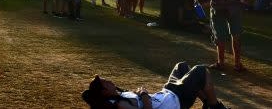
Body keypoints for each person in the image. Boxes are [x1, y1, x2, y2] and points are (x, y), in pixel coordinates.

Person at [81, 62, 229, 109]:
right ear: (105, 92)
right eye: (105, 82)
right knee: (201, 70)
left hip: (168, 93)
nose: (109, 81)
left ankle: (206, 103)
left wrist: (140, 94)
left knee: (181, 66)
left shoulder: (118, 97)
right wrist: (144, 93)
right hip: (176, 101)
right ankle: (215, 106)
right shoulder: (119, 105)